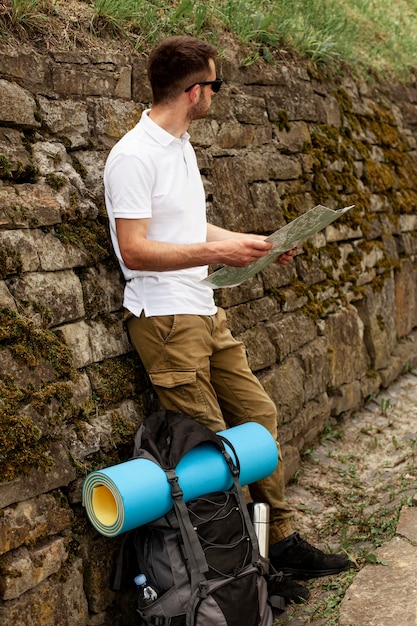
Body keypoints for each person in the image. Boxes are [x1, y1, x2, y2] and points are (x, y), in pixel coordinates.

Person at [103, 35, 350, 601]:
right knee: (213, 453)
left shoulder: (180, 145)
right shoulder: (133, 156)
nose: (216, 95)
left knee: (257, 421)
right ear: (194, 92)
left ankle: (278, 543)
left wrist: (255, 245)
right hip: (166, 323)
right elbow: (135, 251)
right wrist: (218, 254)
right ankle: (247, 575)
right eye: (215, 86)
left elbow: (190, 231)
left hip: (203, 310)